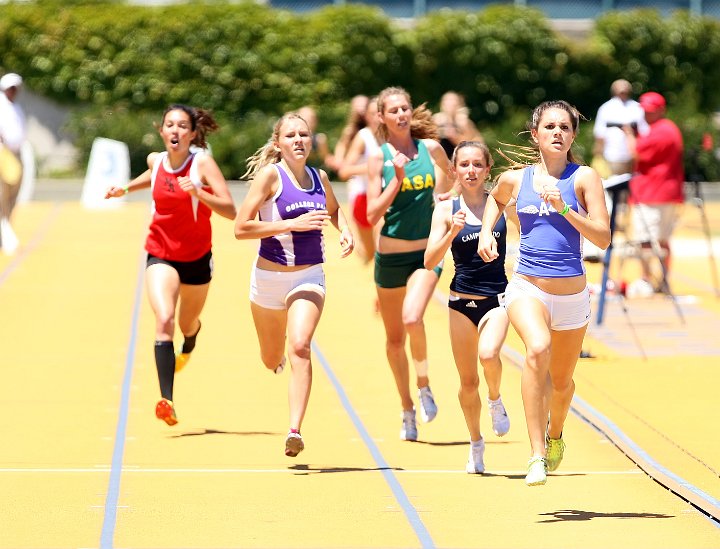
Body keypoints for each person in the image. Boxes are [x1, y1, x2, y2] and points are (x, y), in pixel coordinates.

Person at [477, 100, 610, 486]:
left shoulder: (584, 178)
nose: (557, 132)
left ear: (572, 135)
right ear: (535, 135)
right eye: (549, 126)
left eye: (564, 127)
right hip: (527, 286)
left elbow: (602, 238)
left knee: (563, 382)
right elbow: (496, 199)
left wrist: (566, 210)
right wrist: (488, 231)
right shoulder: (517, 180)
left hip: (571, 295)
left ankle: (555, 436)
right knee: (536, 349)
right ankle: (535, 455)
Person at [105, 104, 236, 426]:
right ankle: (167, 400)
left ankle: (191, 339)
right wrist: (124, 188)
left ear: (192, 134)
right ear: (161, 131)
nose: (175, 131)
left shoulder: (201, 163)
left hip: (197, 259)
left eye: (182, 126)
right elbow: (153, 175)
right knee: (164, 319)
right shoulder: (156, 159)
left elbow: (231, 210)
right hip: (160, 252)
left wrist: (200, 193)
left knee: (187, 323)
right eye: (169, 125)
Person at [234, 111, 354, 458]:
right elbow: (241, 228)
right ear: (278, 143)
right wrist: (291, 225)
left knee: (300, 345)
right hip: (268, 279)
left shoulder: (320, 178)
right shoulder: (271, 177)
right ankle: (274, 358)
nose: (299, 140)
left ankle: (294, 430)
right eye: (291, 136)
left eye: (304, 134)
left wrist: (344, 229)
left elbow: (333, 210)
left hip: (308, 276)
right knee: (271, 356)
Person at [366, 86, 453, 441]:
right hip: (390, 255)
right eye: (394, 110)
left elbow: (457, 178)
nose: (401, 114)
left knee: (413, 317)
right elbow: (372, 213)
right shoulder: (379, 159)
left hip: (425, 255)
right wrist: (397, 180)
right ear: (382, 117)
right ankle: (406, 409)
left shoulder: (429, 149)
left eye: (405, 108)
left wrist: (449, 201)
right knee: (393, 340)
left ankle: (424, 383)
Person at [424, 141, 511, 474]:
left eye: (478, 165)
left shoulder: (500, 205)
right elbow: (429, 260)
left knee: (489, 355)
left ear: (488, 169)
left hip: (497, 299)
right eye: (465, 165)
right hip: (461, 302)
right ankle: (476, 443)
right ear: (454, 170)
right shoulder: (446, 209)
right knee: (466, 382)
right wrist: (452, 232)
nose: (471, 171)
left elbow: (533, 231)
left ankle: (495, 399)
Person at [625, 91, 685, 294]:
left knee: (646, 240)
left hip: (653, 192)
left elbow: (636, 153)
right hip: (663, 192)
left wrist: (629, 135)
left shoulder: (660, 131)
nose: (646, 115)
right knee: (661, 240)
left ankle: (647, 280)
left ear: (661, 110)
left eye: (650, 111)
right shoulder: (667, 129)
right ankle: (663, 280)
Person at [338, 95, 382, 263]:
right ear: (366, 116)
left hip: (387, 197)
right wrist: (372, 167)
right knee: (370, 254)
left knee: (383, 248)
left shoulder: (395, 136)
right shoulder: (363, 137)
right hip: (364, 197)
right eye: (372, 113)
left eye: (379, 112)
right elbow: (344, 171)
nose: (376, 117)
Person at [592, 79, 648, 177]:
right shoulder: (606, 108)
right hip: (612, 155)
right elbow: (599, 135)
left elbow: (644, 131)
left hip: (634, 156)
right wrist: (598, 156)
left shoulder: (636, 107)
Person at [0, 72, 27, 255]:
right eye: (11, 88)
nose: (14, 91)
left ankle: (6, 229)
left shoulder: (15, 106)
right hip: (3, 154)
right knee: (2, 195)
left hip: (15, 154)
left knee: (12, 196)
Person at [433, 91, 483, 160]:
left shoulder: (464, 122)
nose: (450, 107)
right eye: (447, 103)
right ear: (442, 105)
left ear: (459, 106)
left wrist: (456, 137)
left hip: (459, 160)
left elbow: (478, 143)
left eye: (453, 104)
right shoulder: (436, 120)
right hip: (440, 160)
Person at [326, 94, 369, 173]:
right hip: (355, 168)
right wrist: (339, 159)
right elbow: (342, 144)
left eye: (364, 106)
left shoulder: (373, 129)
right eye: (358, 106)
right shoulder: (350, 130)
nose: (361, 109)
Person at [297, 106, 332, 170]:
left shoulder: (320, 139)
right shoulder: (290, 138)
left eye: (312, 118)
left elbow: (326, 159)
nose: (309, 121)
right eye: (305, 118)